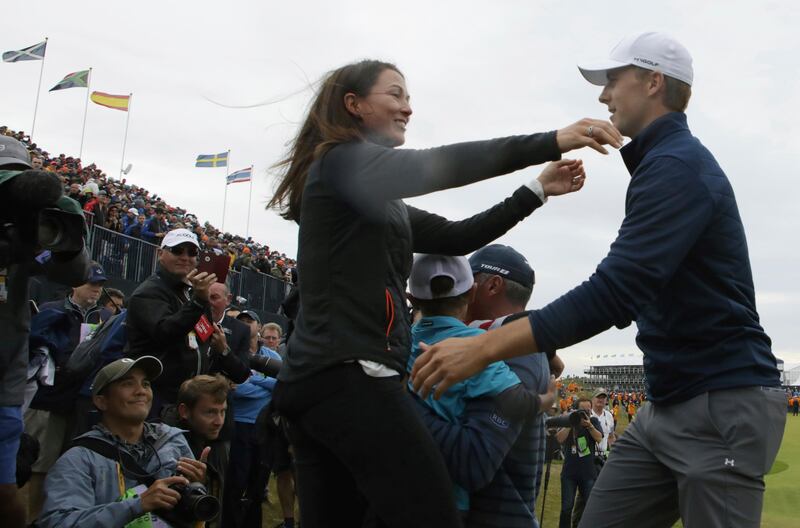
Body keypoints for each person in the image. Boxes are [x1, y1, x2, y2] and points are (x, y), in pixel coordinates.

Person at [411, 31, 786, 528]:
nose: (603, 95)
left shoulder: (677, 167)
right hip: (670, 402)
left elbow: (614, 292)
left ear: (653, 82)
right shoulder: (661, 165)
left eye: (613, 80)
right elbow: (628, 296)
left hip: (720, 402)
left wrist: (482, 348)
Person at [268, 58, 619, 527]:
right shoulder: (342, 162)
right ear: (353, 105)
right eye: (395, 95)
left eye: (409, 97)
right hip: (351, 375)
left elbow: (458, 237)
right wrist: (551, 140)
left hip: (317, 380)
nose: (407, 108)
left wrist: (537, 190)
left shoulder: (371, 193)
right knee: (434, 514)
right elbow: (442, 165)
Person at [0, 137, 92, 528]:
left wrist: (47, 231)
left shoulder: (21, 233)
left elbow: (74, 272)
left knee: (5, 497)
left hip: (4, 383)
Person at [37, 356, 209, 527]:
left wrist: (195, 488)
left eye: (146, 384)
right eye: (127, 383)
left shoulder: (173, 441)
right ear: (101, 401)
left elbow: (189, 519)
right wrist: (136, 505)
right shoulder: (78, 459)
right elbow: (59, 523)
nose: (141, 391)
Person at [125, 228, 248, 418]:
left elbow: (204, 339)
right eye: (177, 250)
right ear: (160, 253)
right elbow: (164, 332)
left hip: (186, 402)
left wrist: (222, 350)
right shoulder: (149, 292)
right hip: (155, 399)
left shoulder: (191, 293)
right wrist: (198, 301)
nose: (185, 257)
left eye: (192, 253)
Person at [24, 263, 113, 519]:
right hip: (48, 403)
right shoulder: (51, 311)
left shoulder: (105, 318)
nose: (96, 290)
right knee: (39, 468)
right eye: (91, 284)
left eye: (99, 285)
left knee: (73, 470)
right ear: (75, 284)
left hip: (83, 405)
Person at [224, 312, 281, 528]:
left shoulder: (272, 356)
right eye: (242, 321)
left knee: (258, 484)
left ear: (259, 326)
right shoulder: (234, 353)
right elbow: (236, 390)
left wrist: (252, 379)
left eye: (250, 321)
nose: (246, 325)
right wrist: (265, 382)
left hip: (264, 427)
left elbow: (280, 385)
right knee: (236, 482)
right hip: (238, 424)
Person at [174, 375, 228, 528]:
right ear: (184, 411)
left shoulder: (218, 445)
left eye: (222, 412)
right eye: (210, 412)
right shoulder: (167, 450)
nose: (219, 421)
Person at [557, 398, 603, 528]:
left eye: (588, 410)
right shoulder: (569, 422)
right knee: (566, 508)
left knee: (591, 508)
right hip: (569, 473)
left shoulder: (593, 421)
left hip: (588, 473)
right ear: (575, 410)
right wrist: (572, 422)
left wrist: (590, 426)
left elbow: (599, 438)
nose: (585, 414)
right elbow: (559, 439)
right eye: (582, 411)